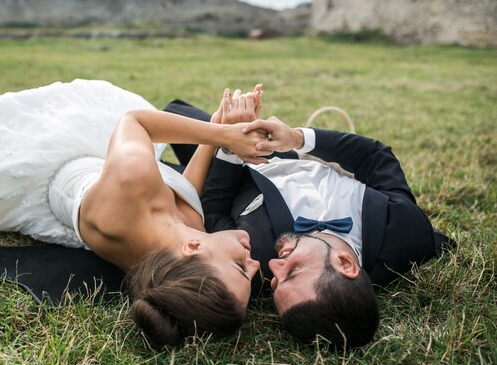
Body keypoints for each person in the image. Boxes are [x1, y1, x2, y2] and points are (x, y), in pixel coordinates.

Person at [0, 79, 268, 349]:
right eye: (249, 272)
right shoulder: (181, 239)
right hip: (120, 183)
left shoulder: (129, 187)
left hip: (63, 167)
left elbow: (135, 121)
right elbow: (187, 191)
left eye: (240, 269)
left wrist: (219, 137)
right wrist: (221, 128)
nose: (253, 263)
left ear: (193, 249)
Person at [166, 100, 453, 348]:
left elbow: (214, 210)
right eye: (293, 271)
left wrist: (230, 146)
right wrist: (296, 138)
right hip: (287, 150)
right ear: (346, 264)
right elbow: (374, 157)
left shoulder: (254, 262)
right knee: (174, 110)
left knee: (170, 128)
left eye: (276, 282)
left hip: (237, 172)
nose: (274, 267)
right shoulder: (405, 230)